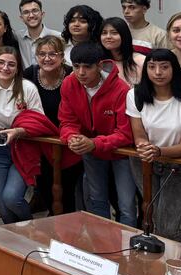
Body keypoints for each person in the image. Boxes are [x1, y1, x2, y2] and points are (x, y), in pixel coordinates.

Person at [126, 49, 181, 243]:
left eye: (164, 67)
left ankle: (177, 259)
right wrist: (145, 148)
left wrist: (158, 151)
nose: (158, 72)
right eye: (152, 67)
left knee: (168, 227)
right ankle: (154, 265)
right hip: (143, 161)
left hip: (174, 163)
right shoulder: (135, 94)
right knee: (151, 218)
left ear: (174, 69)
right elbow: (138, 134)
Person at [58, 42, 135, 225]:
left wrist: (94, 143)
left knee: (126, 205)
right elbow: (67, 121)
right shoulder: (69, 83)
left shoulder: (121, 89)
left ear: (100, 66)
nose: (81, 72)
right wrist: (72, 137)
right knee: (96, 200)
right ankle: (102, 248)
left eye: (87, 67)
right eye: (76, 66)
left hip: (121, 153)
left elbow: (126, 134)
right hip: (90, 148)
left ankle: (130, 250)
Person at [0, 47, 43, 223]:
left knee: (12, 198)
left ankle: (32, 230)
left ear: (18, 68)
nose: (5, 68)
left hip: (23, 145)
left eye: (11, 64)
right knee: (3, 207)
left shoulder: (28, 88)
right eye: (1, 62)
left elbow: (39, 122)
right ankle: (13, 243)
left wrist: (18, 131)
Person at [21, 35, 83, 213]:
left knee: (68, 188)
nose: (47, 58)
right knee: (45, 186)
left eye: (52, 54)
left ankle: (68, 227)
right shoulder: (29, 74)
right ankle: (53, 220)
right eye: (41, 54)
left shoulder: (73, 75)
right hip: (40, 141)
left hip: (68, 140)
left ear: (62, 56)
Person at [15, 0, 61, 69]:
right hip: (25, 79)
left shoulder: (58, 37)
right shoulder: (17, 37)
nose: (31, 15)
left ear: (42, 14)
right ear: (21, 18)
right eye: (26, 12)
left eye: (35, 10)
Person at [100, 17, 145, 85]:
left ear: (124, 36)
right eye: (104, 33)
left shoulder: (141, 61)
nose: (108, 36)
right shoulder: (99, 63)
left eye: (114, 33)